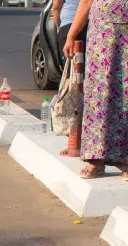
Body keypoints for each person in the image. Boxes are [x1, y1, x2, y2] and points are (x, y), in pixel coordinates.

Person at [64, 0, 128, 180]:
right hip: (103, 32)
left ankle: (125, 159)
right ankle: (95, 160)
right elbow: (86, 2)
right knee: (100, 94)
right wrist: (71, 35)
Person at [54, 0, 86, 158]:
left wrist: (62, 30)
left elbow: (55, 7)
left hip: (70, 29)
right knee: (84, 84)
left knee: (71, 84)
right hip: (90, 26)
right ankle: (79, 138)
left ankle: (73, 140)